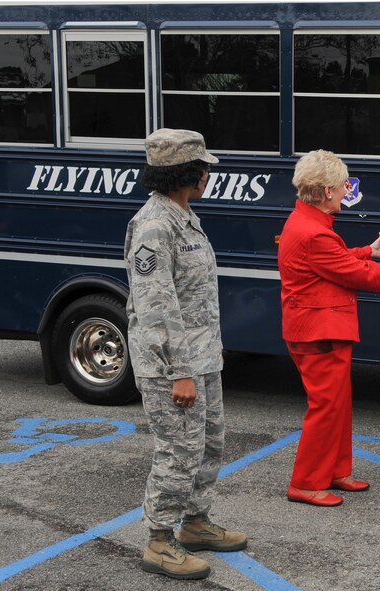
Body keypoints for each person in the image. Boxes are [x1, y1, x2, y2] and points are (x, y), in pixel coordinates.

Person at [125, 128, 247, 581]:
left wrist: (205, 360)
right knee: (179, 450)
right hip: (171, 366)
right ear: (187, 172)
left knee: (209, 443)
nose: (208, 175)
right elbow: (157, 306)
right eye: (203, 168)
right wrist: (180, 371)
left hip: (202, 359)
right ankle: (159, 540)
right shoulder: (154, 225)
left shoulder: (185, 216)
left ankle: (195, 523)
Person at [278, 149, 380, 507]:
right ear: (324, 193)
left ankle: (334, 472)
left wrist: (368, 250)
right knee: (325, 406)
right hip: (318, 331)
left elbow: (334, 262)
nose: (345, 191)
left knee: (337, 404)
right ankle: (305, 483)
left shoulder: (308, 224)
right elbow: (353, 275)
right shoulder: (315, 233)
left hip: (319, 327)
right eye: (341, 186)